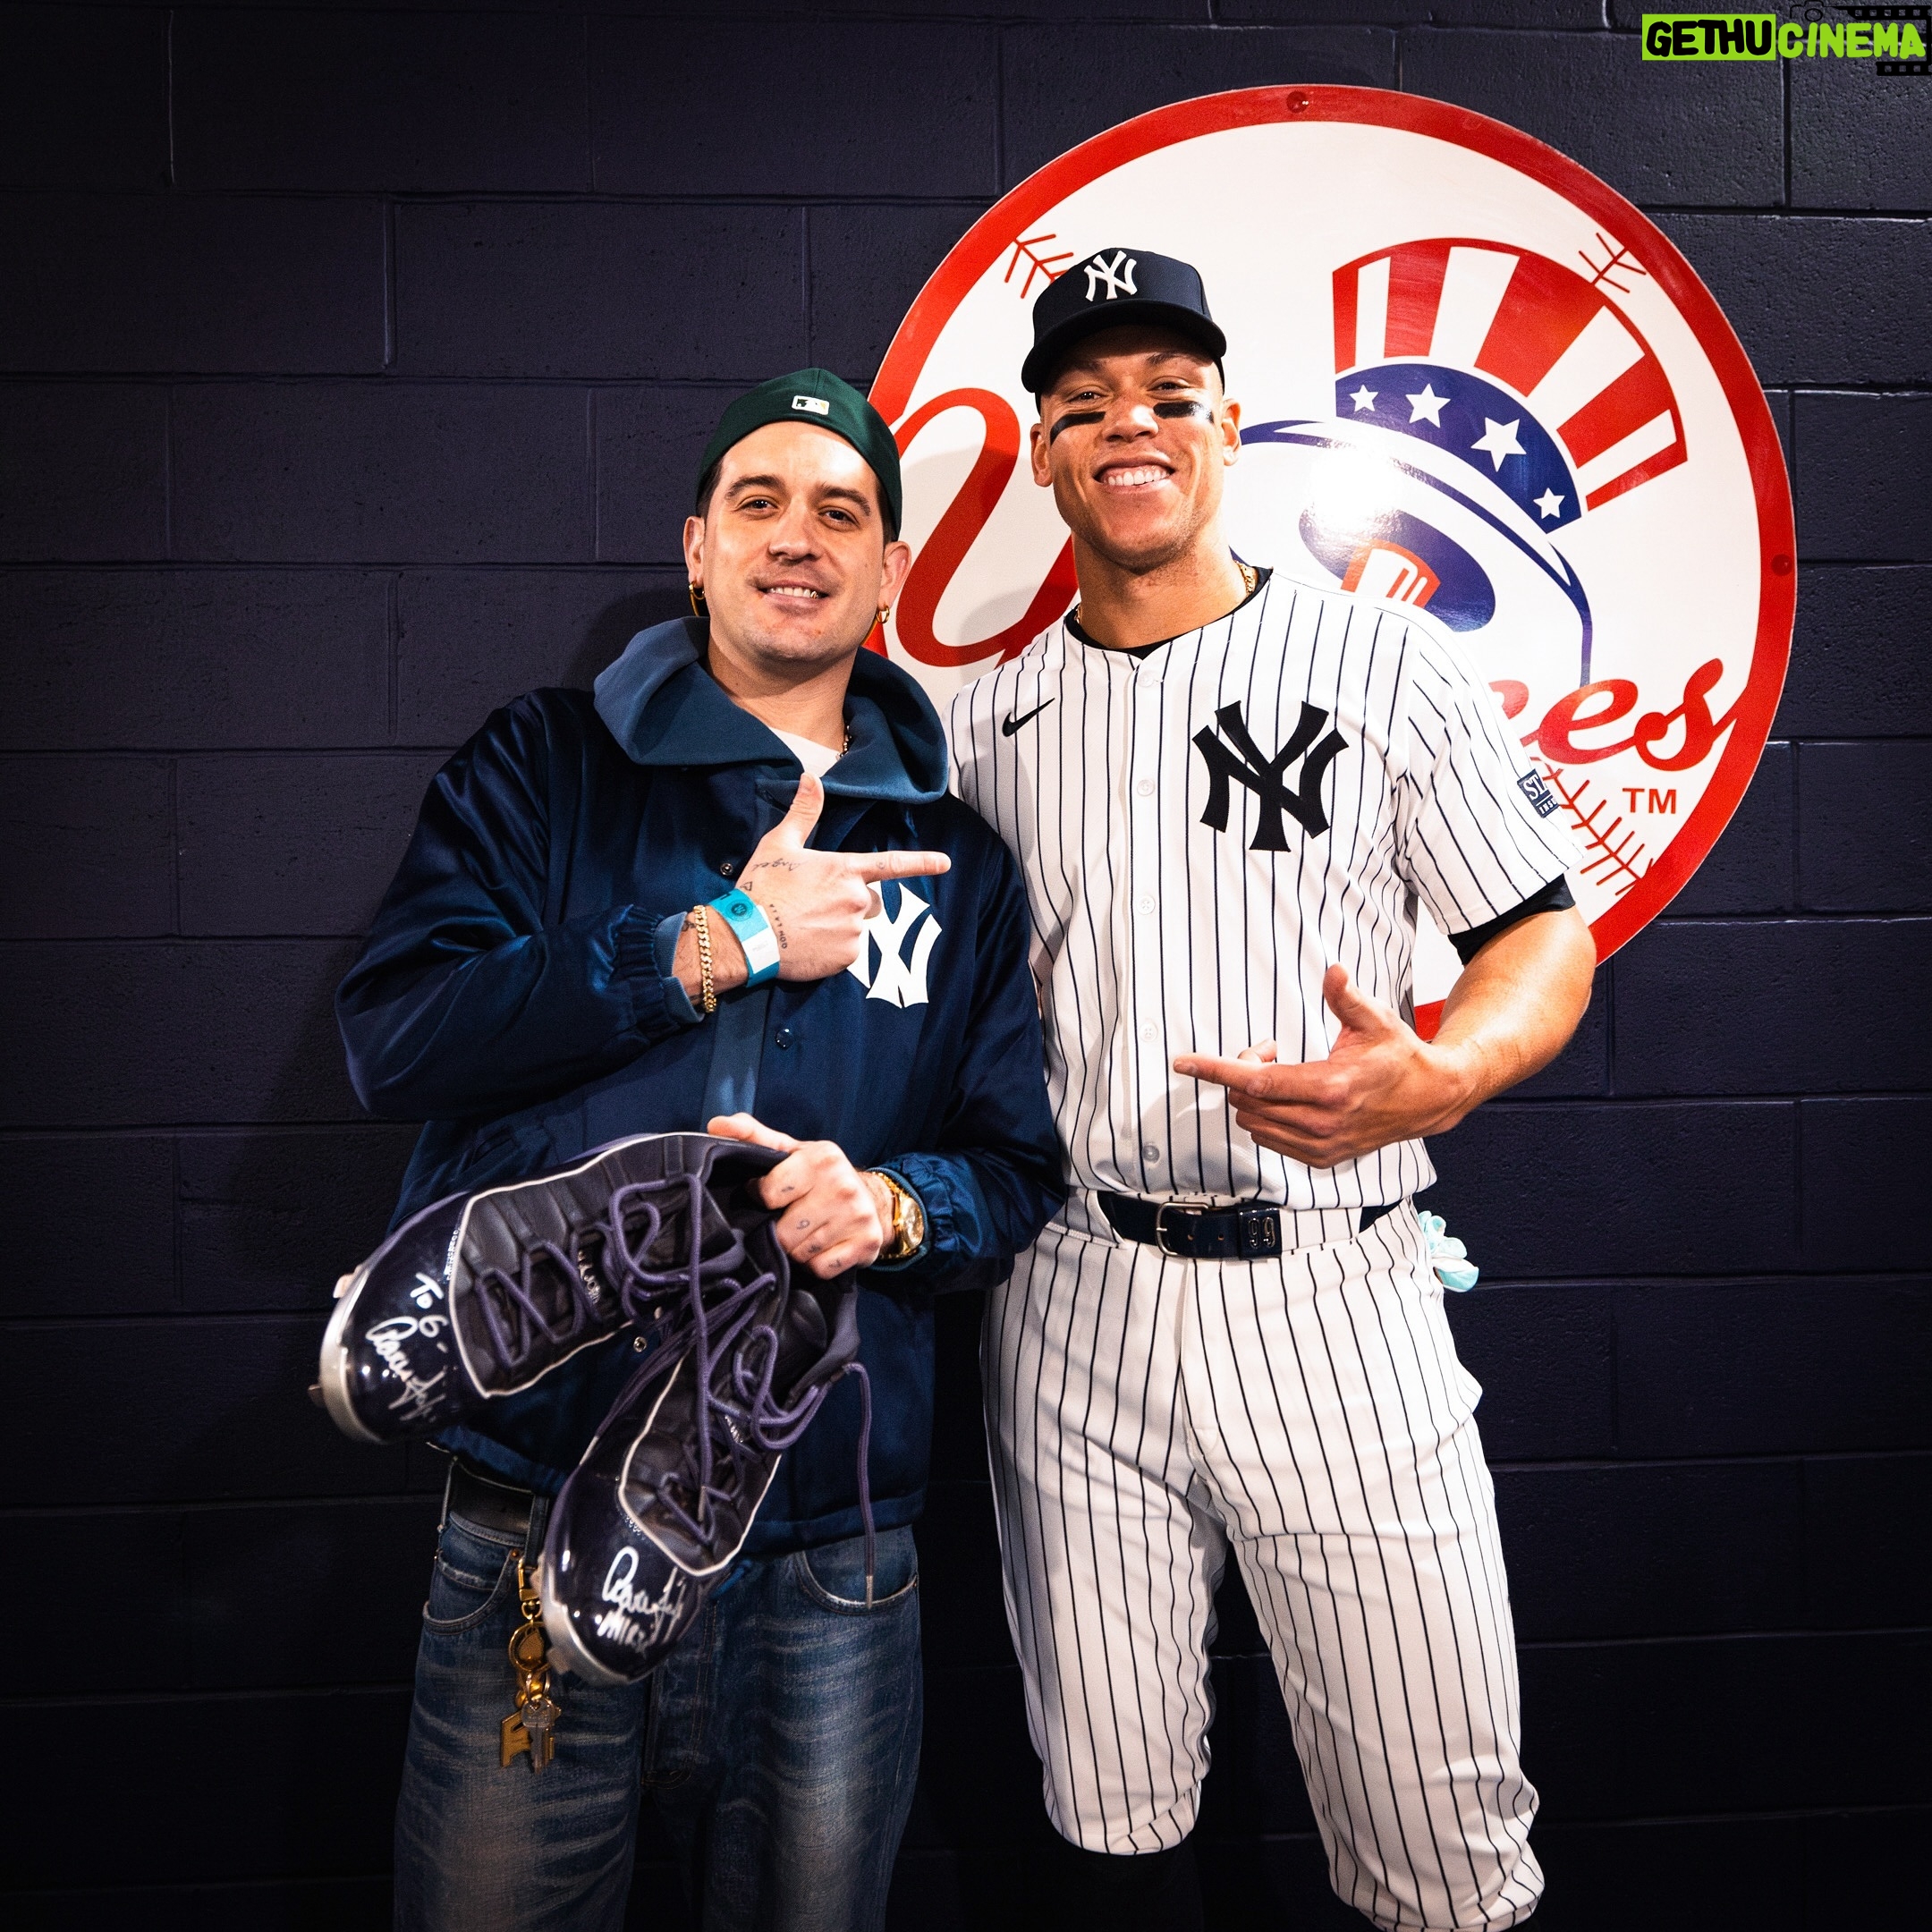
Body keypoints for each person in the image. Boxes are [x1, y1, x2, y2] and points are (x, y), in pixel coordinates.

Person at [336, 367, 1063, 1932]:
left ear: (890, 569)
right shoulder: (543, 766)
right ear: (696, 545)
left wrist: (891, 1207)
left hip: (825, 1554)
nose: (798, 537)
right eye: (759, 502)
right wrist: (710, 942)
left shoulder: (961, 860)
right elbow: (398, 1037)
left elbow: (1015, 1172)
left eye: (841, 513)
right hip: (536, 1512)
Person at [945, 251, 1596, 1930]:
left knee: (1439, 1845)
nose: (1130, 427)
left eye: (1169, 396)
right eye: (1086, 403)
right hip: (1075, 1296)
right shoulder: (982, 725)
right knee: (1107, 1812)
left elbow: (1541, 937)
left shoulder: (1385, 662)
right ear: (1045, 450)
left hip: (1332, 1288)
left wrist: (1445, 1073)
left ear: (1229, 429)